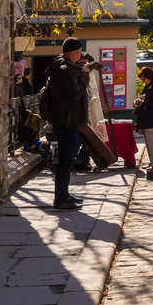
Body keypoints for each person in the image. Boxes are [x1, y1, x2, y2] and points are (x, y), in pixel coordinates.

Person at [43, 36, 90, 210]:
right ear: (77, 51)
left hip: (67, 119)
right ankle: (60, 199)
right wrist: (84, 76)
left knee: (67, 160)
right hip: (66, 121)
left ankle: (64, 195)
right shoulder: (64, 69)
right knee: (66, 160)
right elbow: (75, 93)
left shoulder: (65, 67)